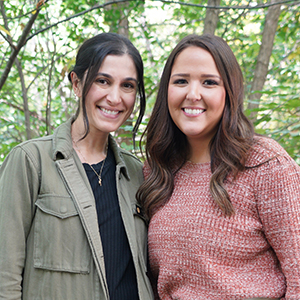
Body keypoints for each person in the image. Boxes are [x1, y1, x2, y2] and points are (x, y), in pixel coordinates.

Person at [137, 34, 300, 300]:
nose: (192, 94)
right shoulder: (156, 172)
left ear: (229, 92)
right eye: (181, 81)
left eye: (209, 82)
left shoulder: (265, 164)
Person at [0, 32, 154, 300]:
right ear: (77, 82)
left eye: (128, 86)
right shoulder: (30, 161)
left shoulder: (137, 173)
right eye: (102, 81)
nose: (115, 98)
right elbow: (5, 275)